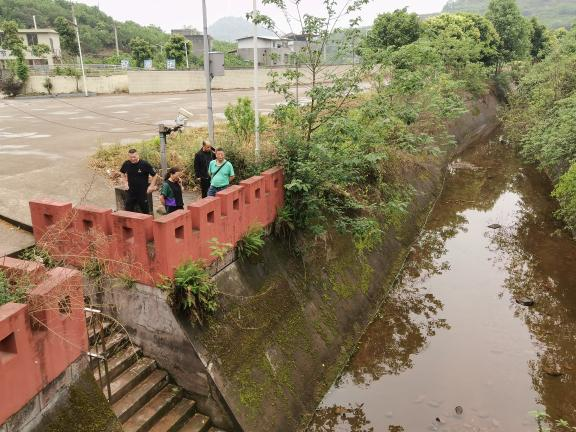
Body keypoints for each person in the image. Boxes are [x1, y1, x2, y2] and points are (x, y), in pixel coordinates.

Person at [119, 149, 158, 214]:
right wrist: (125, 183)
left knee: (145, 211)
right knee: (128, 209)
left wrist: (151, 186)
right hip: (131, 191)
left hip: (142, 192)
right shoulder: (126, 163)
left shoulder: (144, 164)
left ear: (138, 155)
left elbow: (155, 175)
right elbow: (122, 172)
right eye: (131, 157)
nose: (132, 159)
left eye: (134, 157)